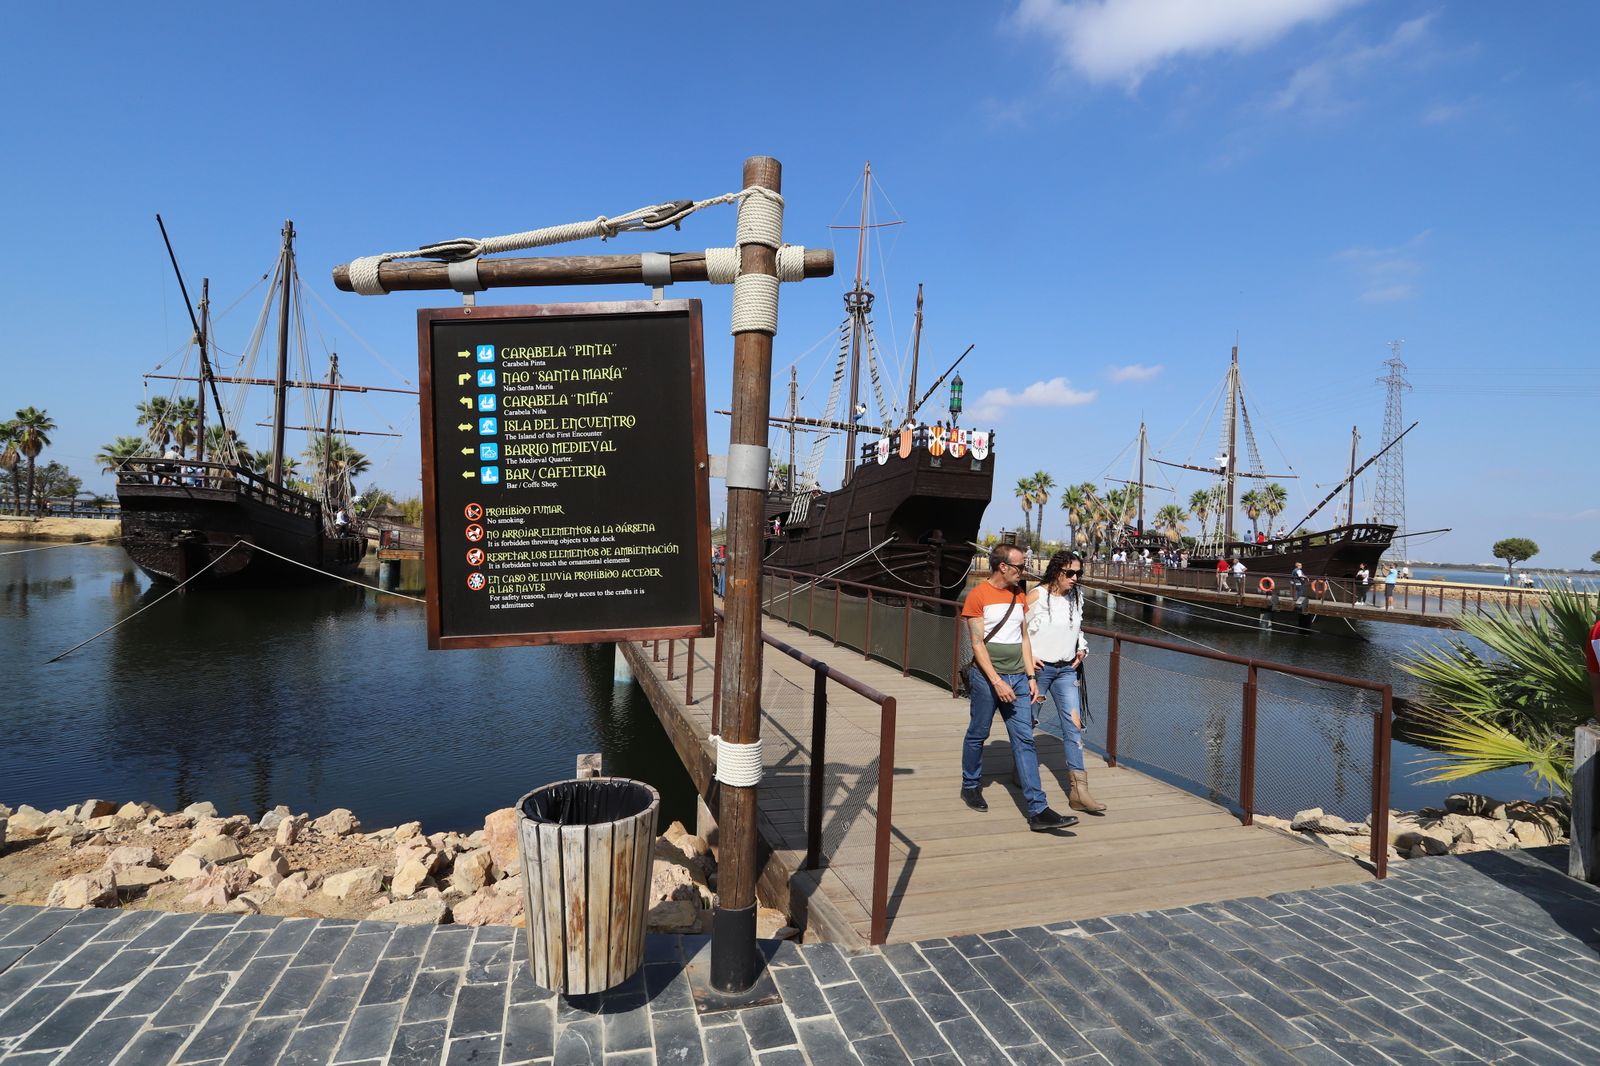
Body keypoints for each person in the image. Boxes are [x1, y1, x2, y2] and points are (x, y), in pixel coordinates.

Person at [959, 543, 1075, 832]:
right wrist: (997, 682)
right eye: (1020, 567)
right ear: (1003, 567)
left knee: (1025, 740)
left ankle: (1038, 810)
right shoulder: (978, 596)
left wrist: (1031, 678)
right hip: (988, 680)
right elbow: (977, 644)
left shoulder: (1019, 595)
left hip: (1019, 680)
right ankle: (970, 785)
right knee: (978, 733)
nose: (1024, 571)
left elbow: (1024, 638)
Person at [1028, 551, 1105, 814]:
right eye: (1070, 573)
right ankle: (1022, 769)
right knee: (1028, 721)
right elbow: (1020, 630)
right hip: (1040, 671)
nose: (1075, 578)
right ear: (1056, 571)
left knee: (1073, 727)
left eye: (1079, 574)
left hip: (1067, 671)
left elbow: (1078, 627)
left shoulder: (1076, 597)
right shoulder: (1037, 595)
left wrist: (1082, 648)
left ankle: (1079, 791)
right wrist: (1029, 657)